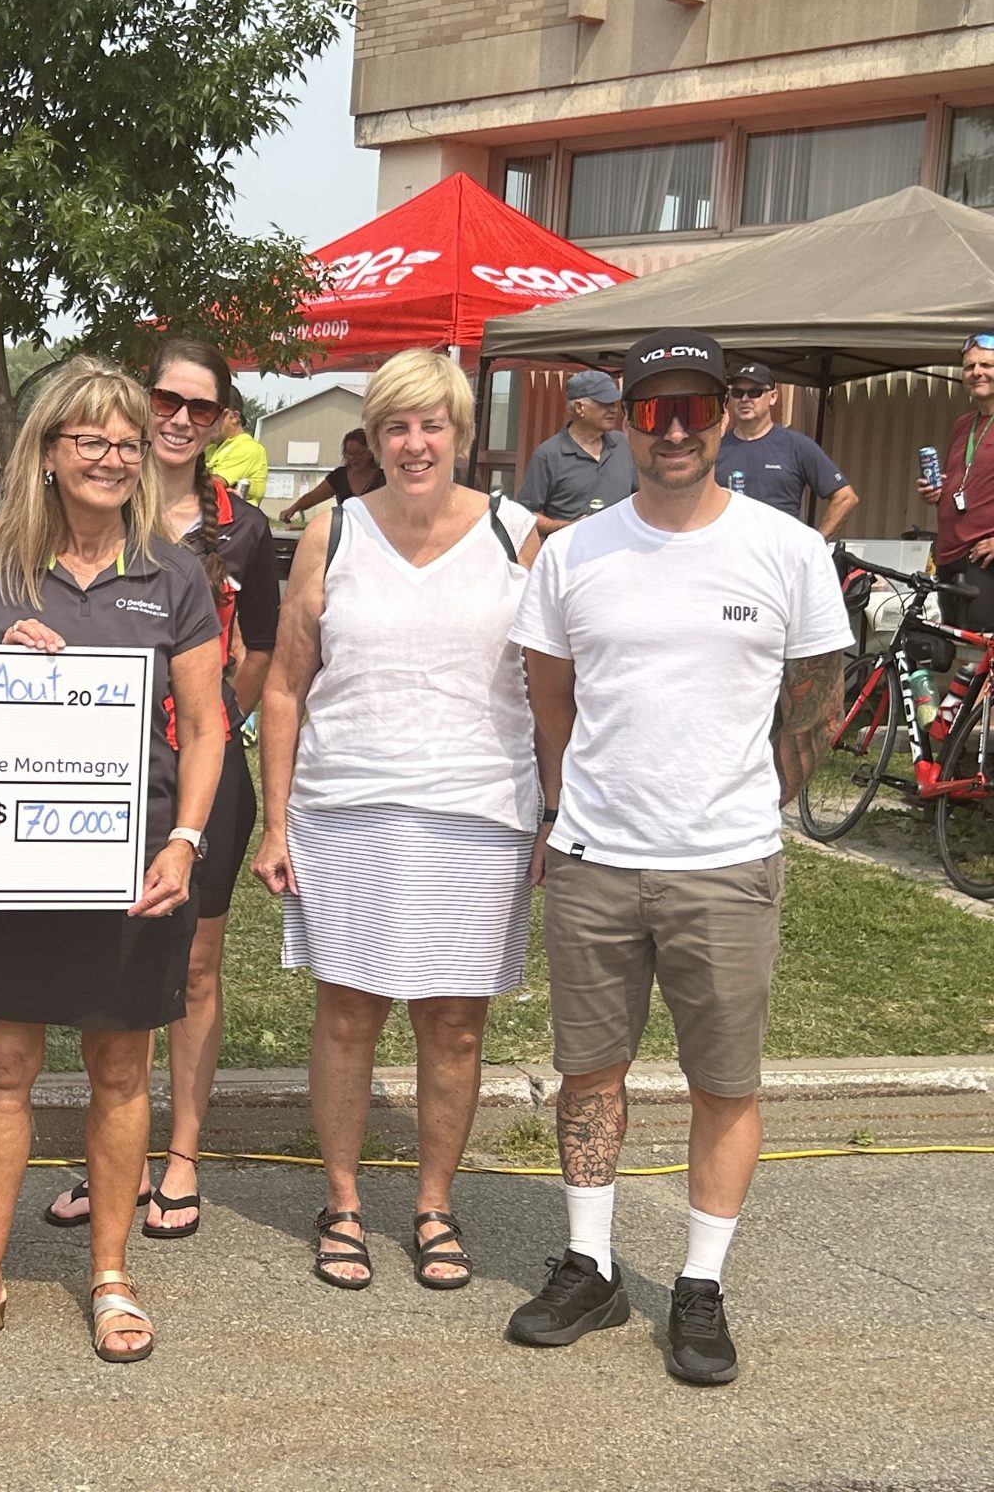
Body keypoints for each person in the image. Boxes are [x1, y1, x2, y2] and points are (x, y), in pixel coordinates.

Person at [506, 327, 849, 1386]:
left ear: (724, 415)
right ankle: (590, 1265)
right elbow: (549, 697)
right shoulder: (574, 553)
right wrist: (564, 805)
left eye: (694, 408)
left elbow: (816, 703)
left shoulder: (786, 550)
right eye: (652, 410)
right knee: (588, 1073)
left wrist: (744, 806)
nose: (673, 430)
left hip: (726, 864)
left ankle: (699, 1285)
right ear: (626, 421)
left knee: (723, 1083)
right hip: (595, 858)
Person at [0, 357, 224, 1371]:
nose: (112, 458)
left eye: (127, 442)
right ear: (48, 451)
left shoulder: (172, 572)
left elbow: (208, 727)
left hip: (133, 858)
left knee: (119, 1068)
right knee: (3, 1066)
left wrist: (184, 842)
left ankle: (110, 1273)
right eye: (90, 439)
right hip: (15, 858)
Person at [250, 349, 540, 1293]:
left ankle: (433, 1203)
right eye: (396, 428)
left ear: (462, 435)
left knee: (454, 1024)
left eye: (432, 426)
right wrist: (276, 824)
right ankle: (341, 1203)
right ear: (373, 440)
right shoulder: (330, 531)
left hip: (481, 811)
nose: (415, 445)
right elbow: (285, 687)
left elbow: (555, 688)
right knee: (349, 1013)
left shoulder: (517, 536)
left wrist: (554, 814)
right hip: (347, 808)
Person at [43, 337, 277, 1238]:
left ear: (221, 421)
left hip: (201, 774)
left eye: (200, 408)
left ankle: (180, 1154)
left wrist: (206, 721)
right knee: (106, 962)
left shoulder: (244, 527)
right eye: (166, 402)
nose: (179, 419)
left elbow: (260, 651)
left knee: (197, 965)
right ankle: (119, 1156)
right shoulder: (94, 500)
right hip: (99, 771)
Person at [717, 362, 858, 538]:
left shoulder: (796, 446)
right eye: (738, 393)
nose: (745, 399)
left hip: (780, 552)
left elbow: (845, 498)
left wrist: (816, 544)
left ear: (773, 397)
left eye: (755, 392)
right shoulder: (716, 448)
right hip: (728, 550)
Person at [918, 334, 994, 634]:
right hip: (949, 552)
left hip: (983, 558)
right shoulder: (964, 424)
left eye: (986, 365)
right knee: (951, 645)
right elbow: (963, 480)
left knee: (982, 646)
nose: (976, 372)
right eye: (969, 367)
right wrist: (937, 492)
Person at [514, 370, 636, 536]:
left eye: (615, 403)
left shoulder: (624, 444)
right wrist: (568, 527)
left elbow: (643, 497)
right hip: (569, 551)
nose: (614, 409)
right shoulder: (548, 455)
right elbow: (524, 516)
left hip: (622, 549)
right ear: (579, 407)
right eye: (604, 403)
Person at [280, 428, 383, 521]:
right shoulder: (339, 476)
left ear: (371, 452)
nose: (353, 458)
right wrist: (293, 509)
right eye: (349, 453)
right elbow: (313, 497)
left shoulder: (384, 478)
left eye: (359, 453)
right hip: (344, 530)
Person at [204, 385, 268, 504]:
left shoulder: (248, 448)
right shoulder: (210, 448)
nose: (208, 421)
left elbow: (213, 483)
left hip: (237, 515)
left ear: (234, 417)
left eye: (215, 415)